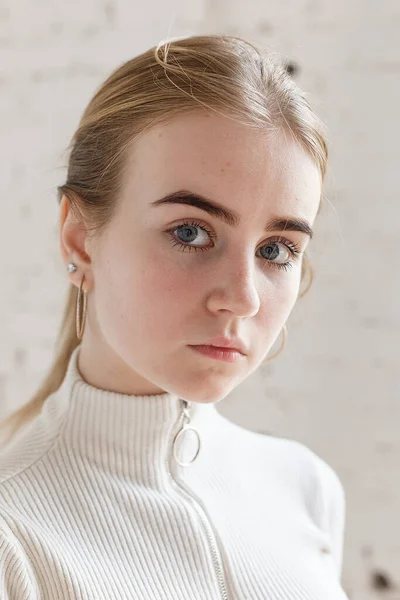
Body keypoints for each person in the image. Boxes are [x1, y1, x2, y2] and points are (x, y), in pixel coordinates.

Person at [0, 34, 349, 599]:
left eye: (276, 250)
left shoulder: (306, 491)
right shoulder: (13, 539)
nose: (242, 297)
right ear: (79, 237)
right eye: (190, 232)